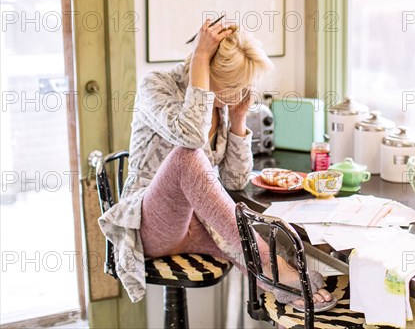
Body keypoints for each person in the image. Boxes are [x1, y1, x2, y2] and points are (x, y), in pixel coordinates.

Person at [98, 18, 336, 312]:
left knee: (263, 239)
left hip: (196, 225)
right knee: (188, 157)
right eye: (237, 85)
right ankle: (274, 267)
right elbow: (190, 139)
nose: (245, 92)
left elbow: (235, 181)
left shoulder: (222, 108)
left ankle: (286, 287)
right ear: (206, 72)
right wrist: (200, 55)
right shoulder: (156, 86)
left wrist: (238, 121)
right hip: (151, 226)